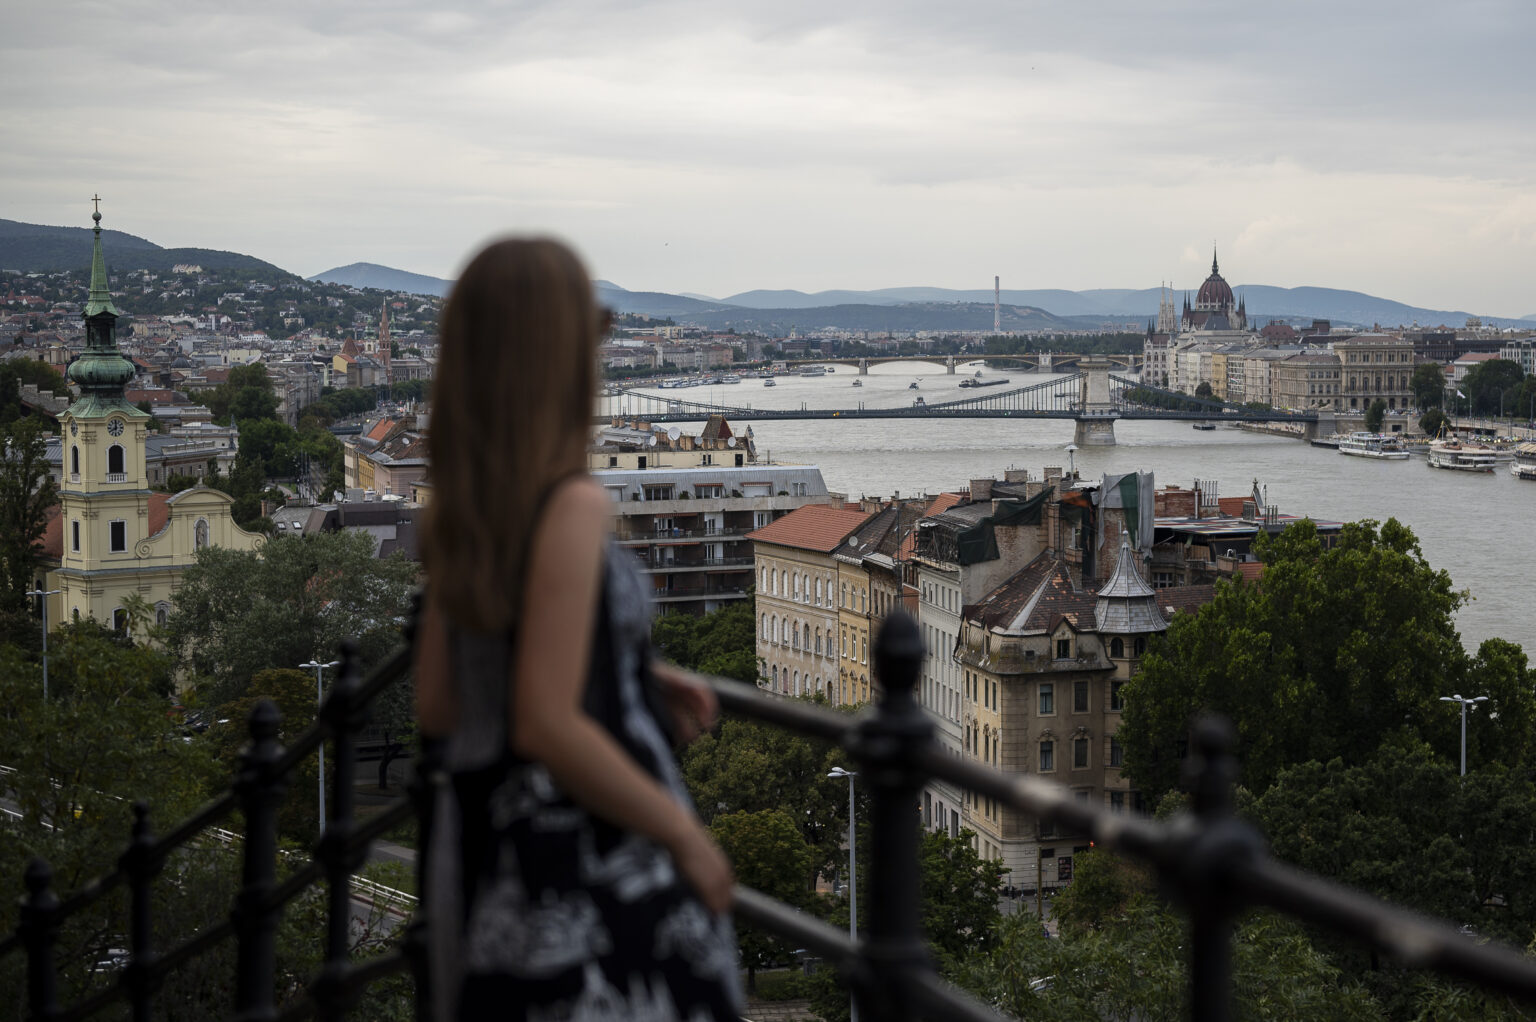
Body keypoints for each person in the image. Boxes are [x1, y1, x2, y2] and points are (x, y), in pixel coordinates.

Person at [414, 238, 743, 1020]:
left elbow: (440, 703)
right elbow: (545, 719)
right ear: (560, 363)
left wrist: (625, 670)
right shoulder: (572, 505)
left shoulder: (464, 514)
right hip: (599, 869)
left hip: (492, 876)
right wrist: (687, 838)